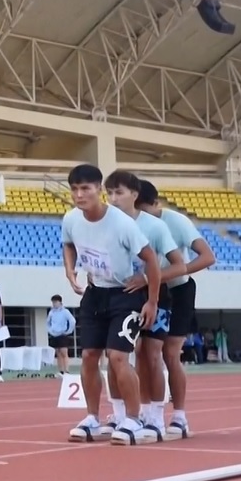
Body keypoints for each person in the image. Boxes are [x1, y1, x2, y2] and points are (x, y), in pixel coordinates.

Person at [61, 163, 160, 446]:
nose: (80, 195)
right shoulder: (70, 219)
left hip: (125, 294)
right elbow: (67, 244)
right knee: (90, 355)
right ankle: (92, 417)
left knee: (118, 357)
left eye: (86, 188)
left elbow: (151, 259)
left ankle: (134, 418)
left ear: (98, 190)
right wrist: (70, 269)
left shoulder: (121, 223)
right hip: (95, 293)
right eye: (75, 189)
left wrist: (151, 302)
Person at [105, 170, 186, 441]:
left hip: (156, 295)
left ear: (134, 195)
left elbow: (179, 264)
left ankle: (155, 418)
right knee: (117, 357)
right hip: (119, 296)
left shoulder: (154, 226)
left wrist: (148, 278)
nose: (113, 199)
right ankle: (123, 416)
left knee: (151, 356)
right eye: (110, 193)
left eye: (119, 193)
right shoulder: (104, 224)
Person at [137, 179, 217, 439]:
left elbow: (207, 257)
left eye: (144, 211)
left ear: (155, 204)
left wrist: (174, 271)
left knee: (171, 354)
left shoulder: (176, 222)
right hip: (148, 290)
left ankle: (180, 415)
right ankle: (146, 411)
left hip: (178, 289)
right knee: (144, 352)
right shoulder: (129, 221)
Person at [46, 295, 76, 378]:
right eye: (53, 302)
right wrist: (50, 330)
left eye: (55, 302)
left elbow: (72, 321)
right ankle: (61, 371)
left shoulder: (65, 311)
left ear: (60, 302)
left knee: (64, 352)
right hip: (54, 334)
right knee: (58, 353)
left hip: (62, 334)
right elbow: (48, 322)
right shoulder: (51, 312)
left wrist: (69, 331)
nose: (54, 304)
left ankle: (67, 371)